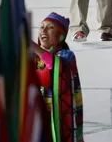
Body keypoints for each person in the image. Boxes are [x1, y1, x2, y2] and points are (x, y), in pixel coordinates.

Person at [34, 12, 84, 142]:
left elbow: (54, 65)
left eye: (50, 27)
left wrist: (32, 46)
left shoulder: (66, 56)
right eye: (42, 27)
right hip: (40, 116)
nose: (43, 30)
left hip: (61, 119)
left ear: (61, 36)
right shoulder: (34, 58)